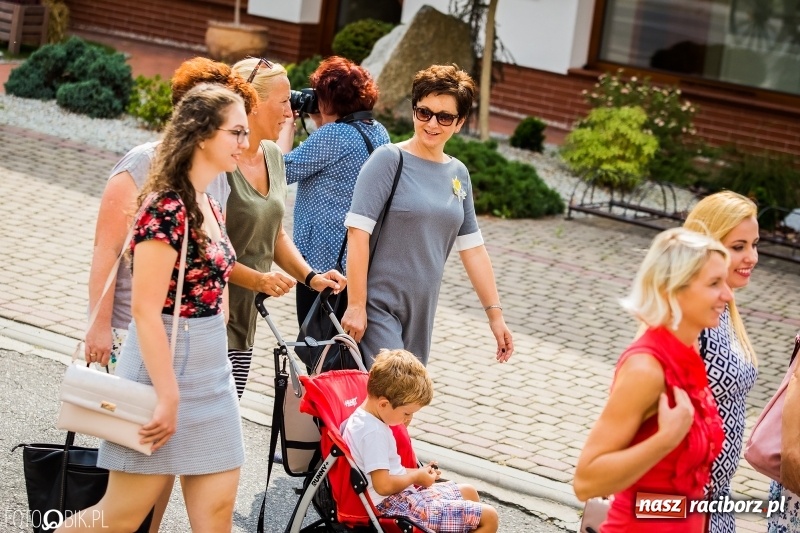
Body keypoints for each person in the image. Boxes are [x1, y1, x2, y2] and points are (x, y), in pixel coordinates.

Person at [58, 83, 248, 532]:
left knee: (217, 512)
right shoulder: (165, 206)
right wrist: (167, 393)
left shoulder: (210, 202)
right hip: (164, 369)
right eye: (236, 132)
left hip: (211, 373)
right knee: (120, 517)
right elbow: (145, 310)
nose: (246, 142)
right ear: (203, 135)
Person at [341, 64, 513, 367]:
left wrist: (495, 317)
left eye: (444, 117)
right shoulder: (388, 160)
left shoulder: (458, 173)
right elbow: (357, 232)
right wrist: (356, 305)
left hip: (422, 311)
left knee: (403, 406)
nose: (432, 123)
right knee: (392, 395)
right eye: (424, 112)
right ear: (414, 112)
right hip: (378, 307)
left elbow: (473, 249)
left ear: (459, 123)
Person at [573, 227, 730, 532]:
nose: (728, 294)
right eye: (714, 283)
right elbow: (585, 481)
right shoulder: (647, 367)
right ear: (673, 290)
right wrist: (664, 439)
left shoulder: (689, 355)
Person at [228, 56, 346, 397]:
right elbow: (206, 252)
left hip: (245, 319)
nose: (289, 113)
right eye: (283, 102)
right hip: (207, 315)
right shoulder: (221, 160)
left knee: (225, 411)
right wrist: (260, 279)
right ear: (251, 103)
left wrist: (311, 277)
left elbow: (276, 233)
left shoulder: (273, 156)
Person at [283, 55, 390, 327]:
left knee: (315, 343)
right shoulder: (378, 132)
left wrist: (286, 125)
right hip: (354, 260)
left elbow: (280, 170)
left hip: (321, 262)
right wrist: (322, 120)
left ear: (330, 98)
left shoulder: (334, 136)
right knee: (336, 344)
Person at [343, 349, 499, 533]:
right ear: (384, 404)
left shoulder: (369, 419)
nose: (408, 419)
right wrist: (417, 477)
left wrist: (420, 473)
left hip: (401, 497)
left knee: (469, 492)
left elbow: (390, 471)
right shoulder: (372, 433)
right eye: (406, 413)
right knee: (489, 517)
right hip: (392, 506)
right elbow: (383, 485)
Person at [682, 191, 759, 533]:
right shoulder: (689, 316)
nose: (752, 257)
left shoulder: (724, 308)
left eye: (754, 244)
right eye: (738, 246)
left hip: (716, 499)